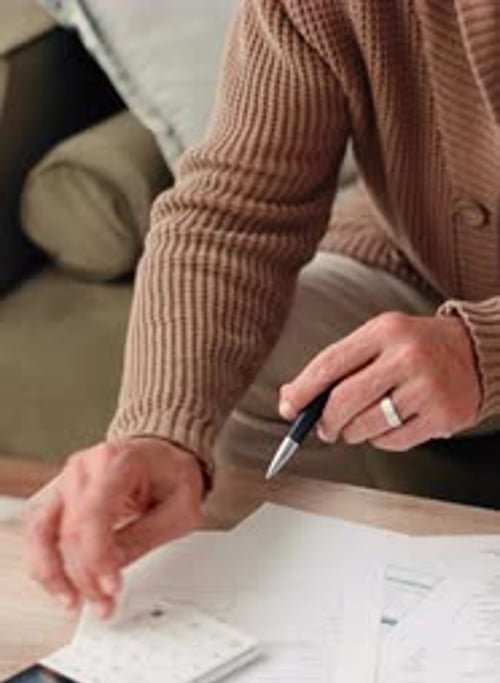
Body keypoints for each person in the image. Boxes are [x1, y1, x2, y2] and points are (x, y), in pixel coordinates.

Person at [27, 1, 500, 618]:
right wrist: (159, 428)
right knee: (223, 377)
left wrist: (484, 350)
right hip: (427, 264)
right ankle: (287, 655)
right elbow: (231, 211)